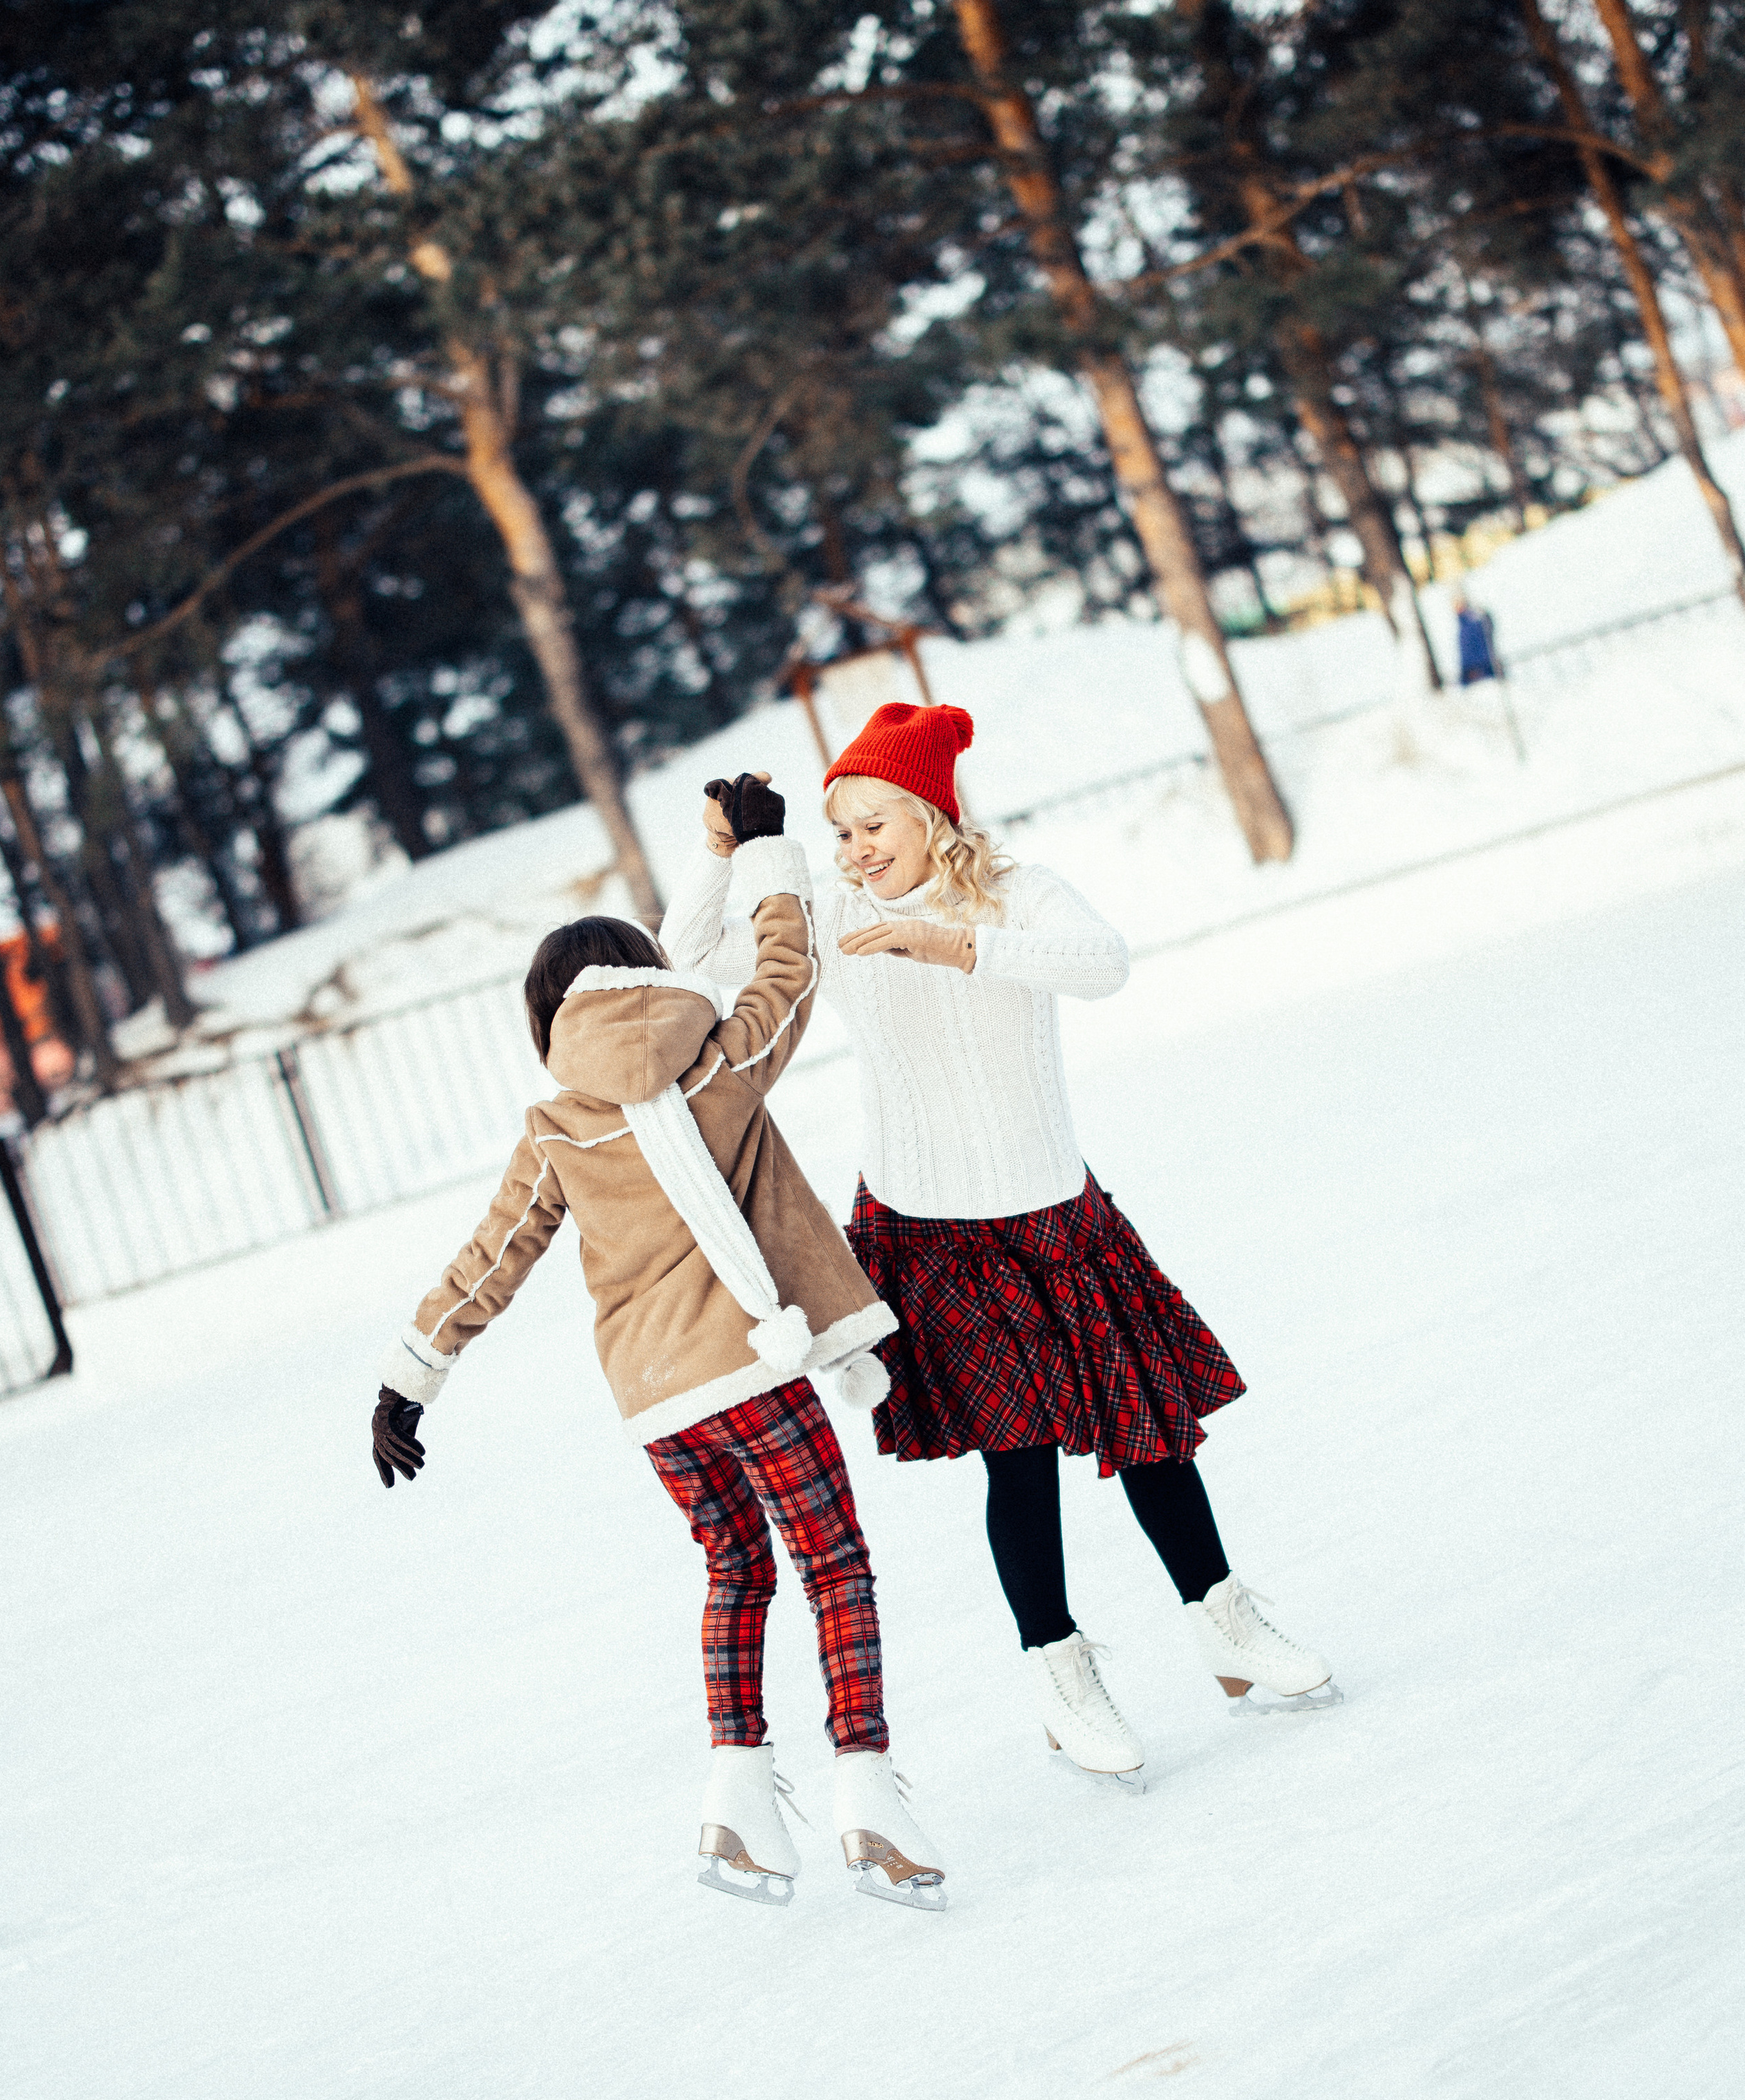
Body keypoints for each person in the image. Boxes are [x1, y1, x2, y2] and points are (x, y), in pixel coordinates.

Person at [661, 703, 1336, 1794]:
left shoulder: (1015, 894)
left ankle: (1226, 1624)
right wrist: (720, 854)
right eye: (840, 831)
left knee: (1153, 1435)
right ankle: (1062, 1679)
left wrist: (952, 942)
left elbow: (1102, 963)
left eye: (875, 820)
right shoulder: (829, 915)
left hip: (1056, 1215)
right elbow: (686, 961)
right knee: (1018, 1462)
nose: (857, 848)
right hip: (930, 1231)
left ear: (933, 814)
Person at [370, 788, 945, 1911]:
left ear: (551, 1015)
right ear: (652, 977)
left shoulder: (558, 1123)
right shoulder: (718, 1061)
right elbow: (789, 966)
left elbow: (491, 1258)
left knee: (735, 1567)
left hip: (659, 1406)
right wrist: (768, 847)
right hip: (755, 1373)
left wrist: (409, 1376)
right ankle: (866, 1788)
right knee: (832, 1566)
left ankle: (736, 1791)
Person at [1455, 594, 1500, 685]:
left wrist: (1478, 668)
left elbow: (1488, 633)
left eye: (1459, 604)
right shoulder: (1462, 624)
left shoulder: (1474, 622)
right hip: (1471, 672)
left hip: (1482, 669)